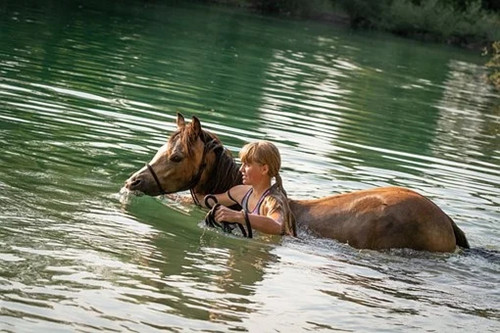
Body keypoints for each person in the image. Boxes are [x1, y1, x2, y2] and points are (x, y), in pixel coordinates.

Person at [200, 141, 296, 237]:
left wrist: (238, 216)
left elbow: (278, 226)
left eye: (247, 165)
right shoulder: (241, 192)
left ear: (264, 169)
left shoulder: (273, 201)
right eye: (242, 164)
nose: (241, 169)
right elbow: (210, 201)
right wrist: (189, 200)